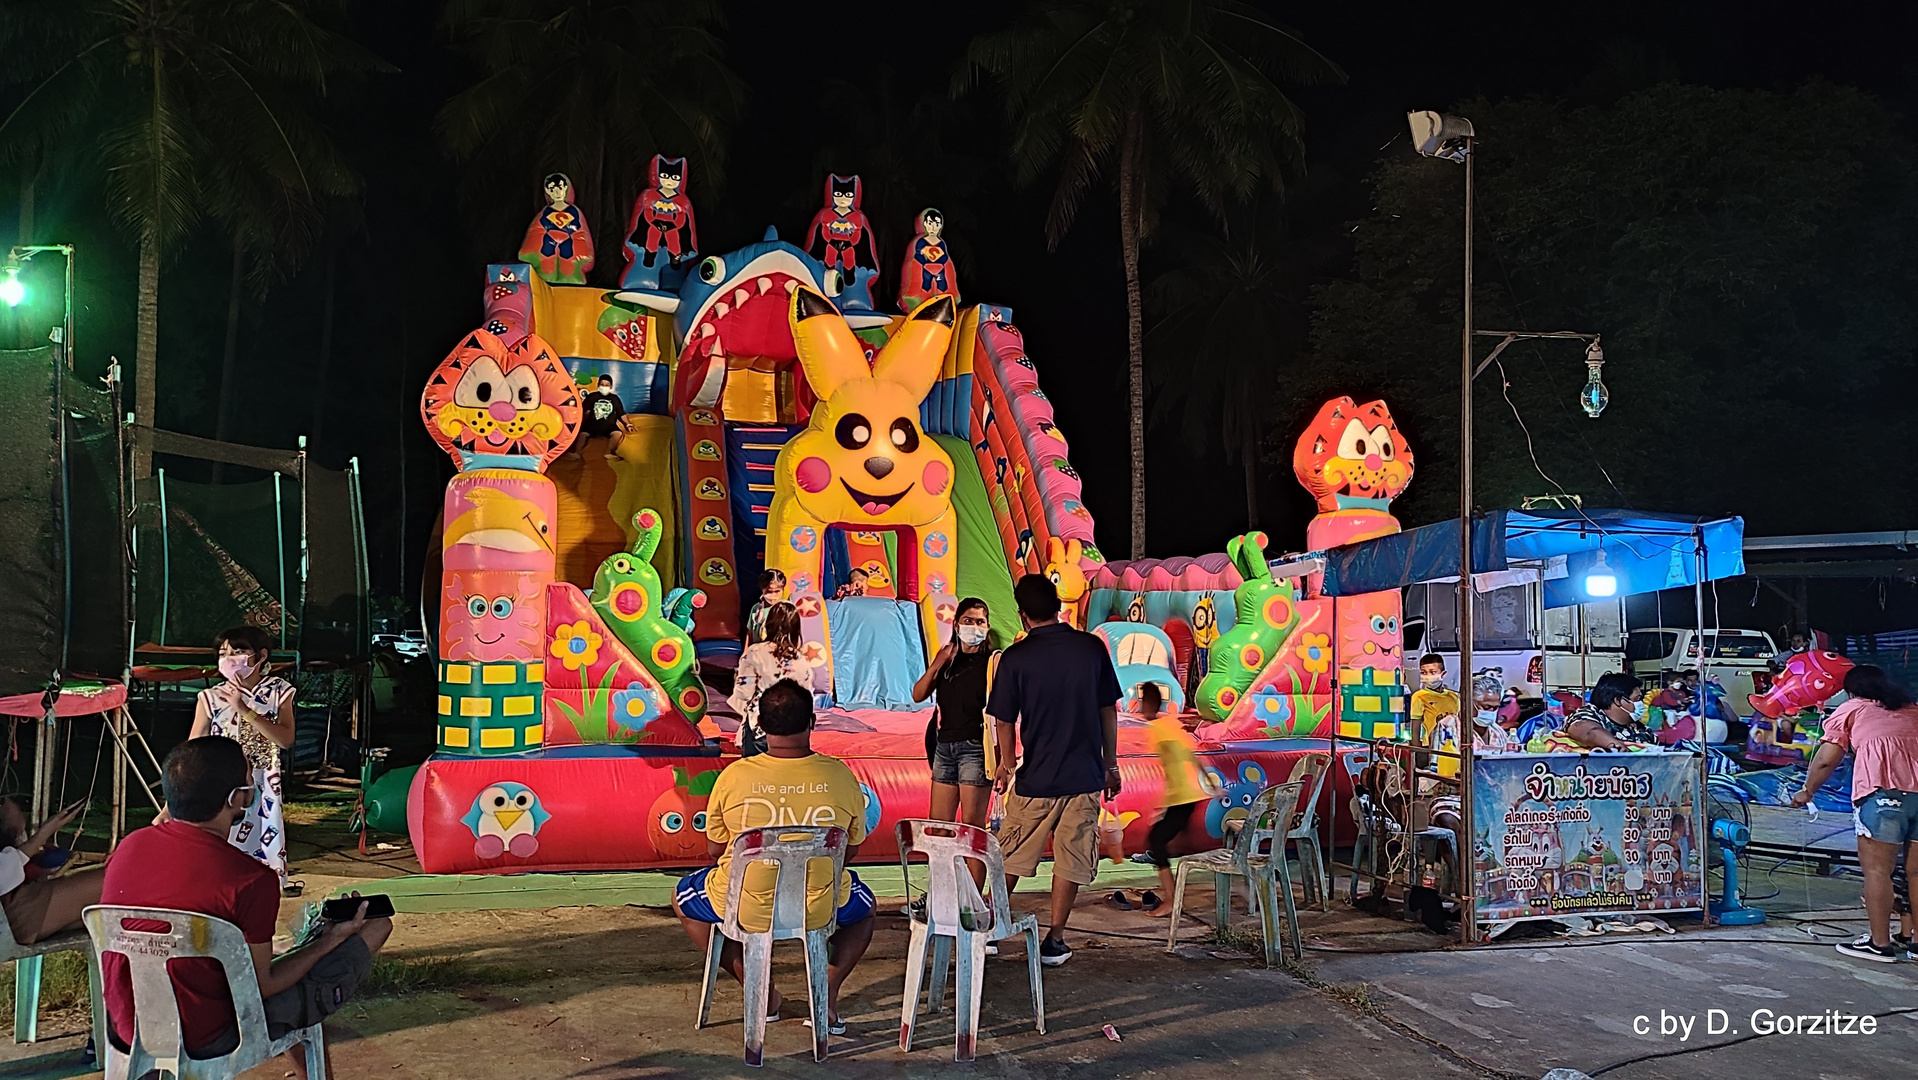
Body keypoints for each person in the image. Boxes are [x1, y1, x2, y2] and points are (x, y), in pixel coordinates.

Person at [101, 737, 390, 1076]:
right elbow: (265, 983)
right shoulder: (252, 879)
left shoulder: (129, 847)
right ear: (236, 797)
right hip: (214, 1035)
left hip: (129, 1027)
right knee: (377, 925)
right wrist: (331, 940)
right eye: (249, 777)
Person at [673, 680, 874, 1033]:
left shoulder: (733, 776)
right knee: (864, 909)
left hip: (745, 906)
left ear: (761, 726)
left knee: (683, 898)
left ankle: (760, 991)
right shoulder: (841, 776)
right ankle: (824, 995)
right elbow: (850, 850)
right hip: (820, 906)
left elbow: (716, 850)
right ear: (812, 722)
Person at [988, 574, 1122, 967]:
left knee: (1009, 856)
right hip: (1083, 777)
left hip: (1037, 778)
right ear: (1059, 607)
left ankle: (989, 927)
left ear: (1023, 614)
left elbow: (1003, 720)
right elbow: (1107, 712)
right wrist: (1110, 765)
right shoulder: (1091, 649)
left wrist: (1006, 764)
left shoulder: (1016, 658)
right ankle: (1055, 939)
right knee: (1071, 858)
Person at [1790, 665, 1918, 962]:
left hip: (1882, 795)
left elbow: (1825, 760)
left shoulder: (1853, 708)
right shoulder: (1912, 708)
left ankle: (1880, 944)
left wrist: (1807, 791)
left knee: (1877, 871)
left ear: (1851, 690)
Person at [191, 626, 296, 892]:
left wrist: (243, 709)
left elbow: (285, 739)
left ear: (260, 656)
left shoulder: (279, 692)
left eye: (238, 652)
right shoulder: (210, 697)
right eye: (224, 653)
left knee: (262, 842)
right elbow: (194, 747)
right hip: (222, 782)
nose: (229, 659)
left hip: (264, 782)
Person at [912, 598, 996, 833]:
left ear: (987, 627)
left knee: (972, 828)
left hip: (975, 748)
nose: (974, 627)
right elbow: (918, 694)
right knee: (939, 827)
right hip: (944, 747)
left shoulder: (992, 662)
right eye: (968, 620)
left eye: (980, 622)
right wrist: (937, 664)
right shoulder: (948, 661)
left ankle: (974, 871)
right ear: (957, 626)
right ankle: (943, 872)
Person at [1140, 683, 1217, 919]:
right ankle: (1173, 895)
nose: (1142, 709)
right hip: (1188, 795)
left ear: (1151, 704)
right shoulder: (1170, 725)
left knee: (1156, 841)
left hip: (1184, 796)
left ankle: (1172, 900)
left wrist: (1168, 802)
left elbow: (1176, 767)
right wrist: (1209, 783)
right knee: (1160, 840)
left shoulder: (1158, 729)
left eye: (1144, 704)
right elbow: (1190, 757)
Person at [0, 796, 101, 945]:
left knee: (102, 912)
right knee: (114, 880)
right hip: (13, 916)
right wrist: (45, 831)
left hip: (15, 908)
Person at [728, 602, 813, 757]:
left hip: (762, 726)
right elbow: (807, 695)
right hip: (794, 729)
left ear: (768, 625)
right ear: (796, 629)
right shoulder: (802, 659)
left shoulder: (755, 652)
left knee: (755, 773)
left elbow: (744, 693)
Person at [1543, 672, 1655, 751]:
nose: (1641, 704)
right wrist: (1619, 748)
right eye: (1637, 699)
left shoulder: (1641, 730)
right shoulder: (1588, 713)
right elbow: (1588, 731)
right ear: (1618, 701)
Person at [577, 374, 626, 460]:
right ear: (598, 385)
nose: (604, 387)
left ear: (611, 386)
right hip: (592, 424)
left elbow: (621, 413)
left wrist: (628, 424)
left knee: (618, 434)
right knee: (582, 434)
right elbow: (583, 411)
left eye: (607, 385)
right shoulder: (592, 396)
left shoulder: (614, 398)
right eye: (602, 384)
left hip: (609, 426)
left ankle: (609, 453)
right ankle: (576, 453)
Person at [744, 569, 785, 645]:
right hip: (757, 650)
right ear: (762, 589)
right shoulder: (756, 608)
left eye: (777, 591)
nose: (773, 595)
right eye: (769, 591)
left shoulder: (786, 608)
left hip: (777, 650)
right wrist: (746, 651)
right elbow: (750, 632)